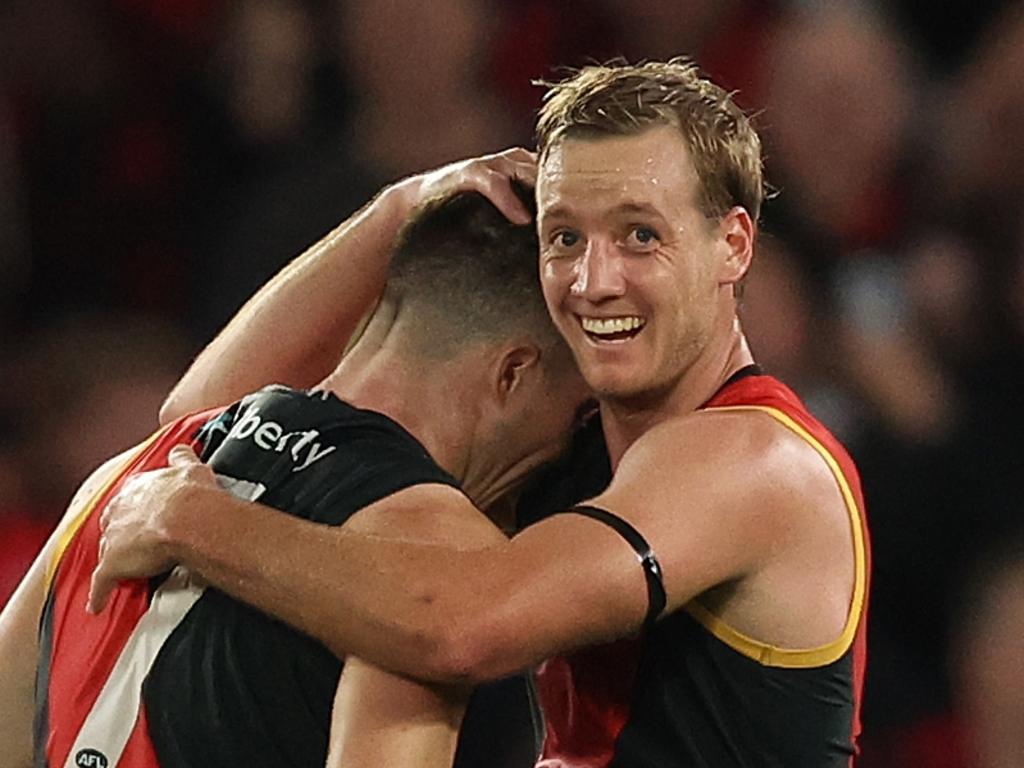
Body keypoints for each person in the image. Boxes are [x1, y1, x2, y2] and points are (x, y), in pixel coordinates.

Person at [87, 60, 871, 766]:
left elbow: (463, 629)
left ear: (733, 245)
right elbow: (203, 419)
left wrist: (196, 522)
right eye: (566, 237)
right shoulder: (567, 445)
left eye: (640, 235)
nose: (593, 280)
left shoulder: (756, 461)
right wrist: (402, 209)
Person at [0, 167, 591, 768]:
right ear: (513, 373)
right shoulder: (433, 564)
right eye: (578, 410)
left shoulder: (129, 478)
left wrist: (398, 207)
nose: (569, 445)